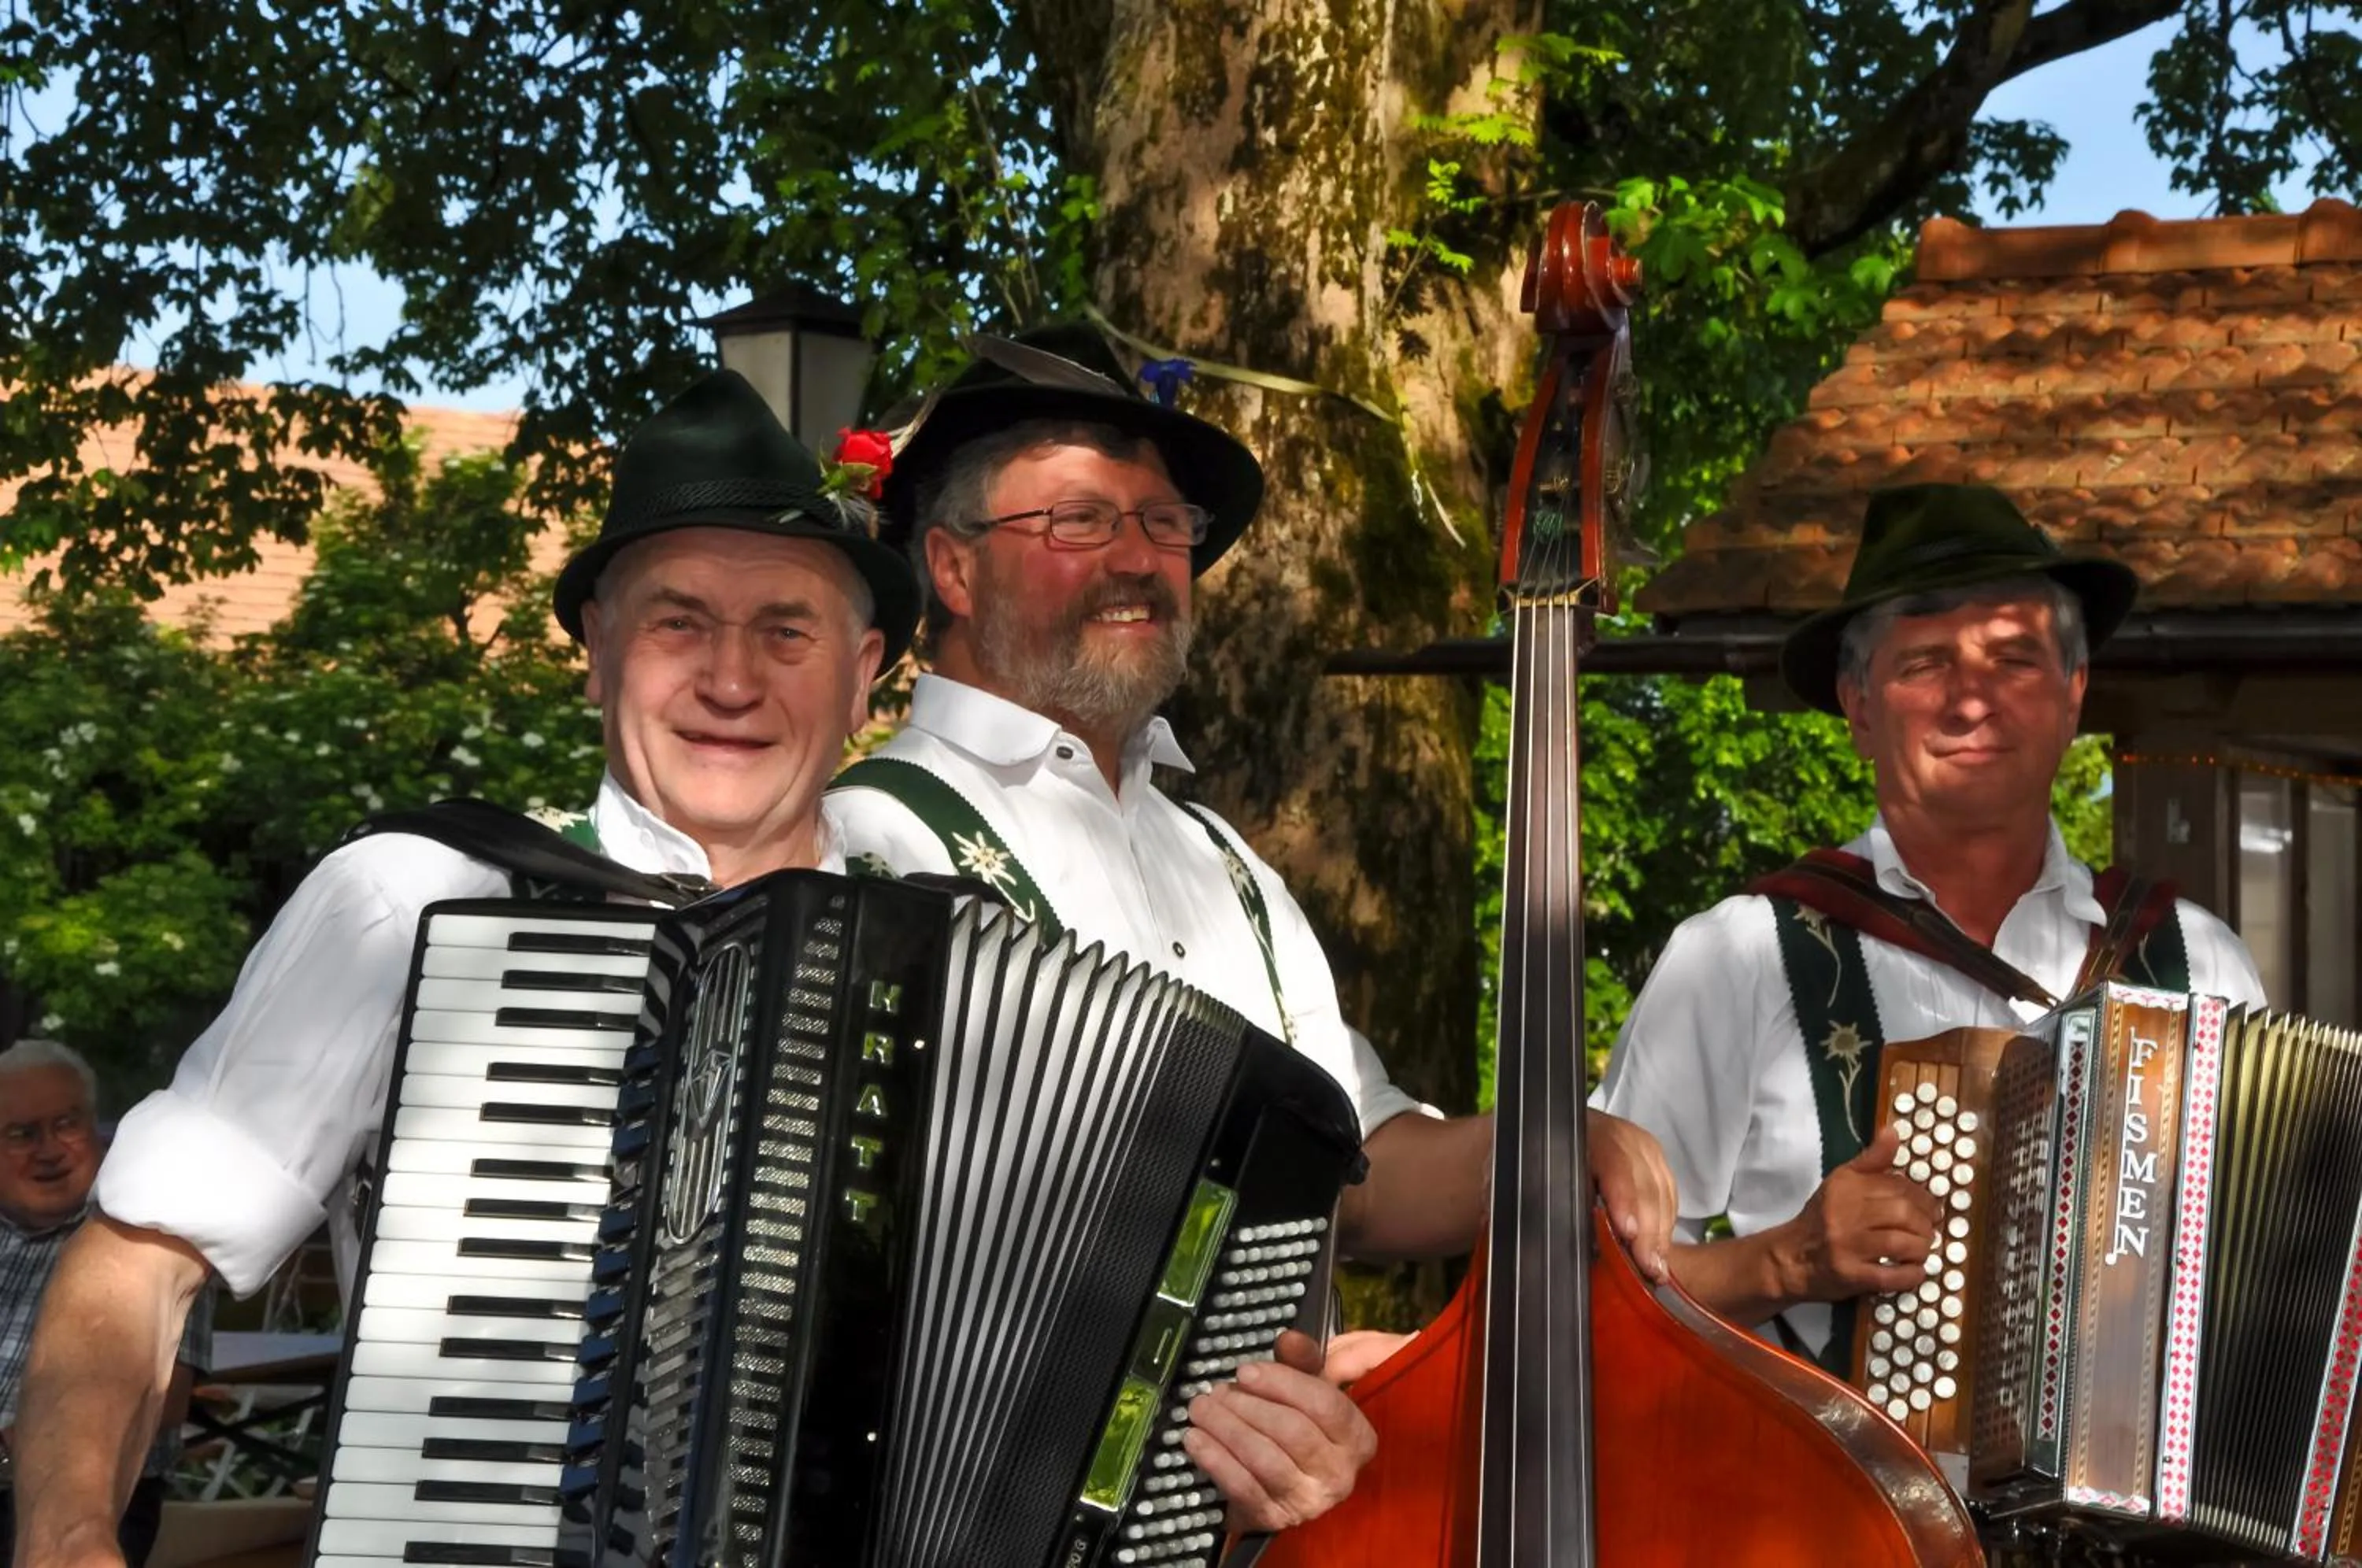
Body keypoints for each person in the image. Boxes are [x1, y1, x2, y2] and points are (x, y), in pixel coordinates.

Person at [9, 369, 925, 1568]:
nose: (732, 681)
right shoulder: (418, 899)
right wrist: (68, 1531)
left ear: (863, 675)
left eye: (787, 632)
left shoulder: (944, 961)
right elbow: (140, 1265)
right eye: (678, 623)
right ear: (596, 652)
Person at [826, 326, 1680, 1475]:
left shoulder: (1223, 861)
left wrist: (1548, 1145)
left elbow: (1358, 1170)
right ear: (954, 568)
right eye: (1080, 520)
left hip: (1270, 1511)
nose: (1139, 558)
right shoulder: (863, 842)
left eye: (1163, 523)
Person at [1592, 482, 2268, 1370]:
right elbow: (1589, 1289)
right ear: (1859, 707)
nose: (1971, 701)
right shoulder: (1740, 958)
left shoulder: (2195, 961)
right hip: (1819, 1466)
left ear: (2073, 694)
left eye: (2015, 660)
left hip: (2163, 1469)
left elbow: (2280, 1264)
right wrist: (1784, 1264)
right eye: (1924, 664)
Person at [0, 1041, 209, 1568]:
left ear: (95, 1128)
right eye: (22, 1134)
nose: (49, 1150)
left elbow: (167, 1398)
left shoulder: (148, 1237)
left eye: (66, 1124)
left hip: (74, 1502)